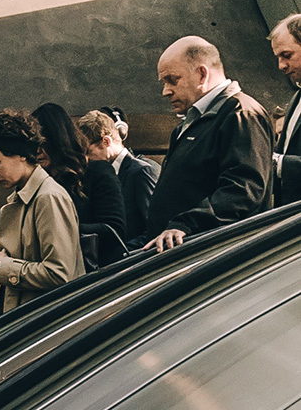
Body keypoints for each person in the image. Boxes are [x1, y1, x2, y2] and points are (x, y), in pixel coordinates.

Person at [144, 37, 273, 252]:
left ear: (202, 74)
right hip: (185, 252)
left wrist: (187, 224)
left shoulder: (241, 114)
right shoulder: (191, 121)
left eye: (172, 80)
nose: (165, 91)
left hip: (215, 257)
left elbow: (244, 189)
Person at [0, 110, 84, 320]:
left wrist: (5, 267)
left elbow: (60, 273)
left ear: (22, 155)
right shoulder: (22, 196)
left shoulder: (48, 197)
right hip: (28, 321)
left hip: (43, 325)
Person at [31, 101, 128, 253]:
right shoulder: (39, 180)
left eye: (43, 143)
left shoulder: (97, 171)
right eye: (32, 145)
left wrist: (59, 230)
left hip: (97, 271)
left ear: (57, 141)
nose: (37, 151)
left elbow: (114, 230)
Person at [78, 108, 160, 247]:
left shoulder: (142, 172)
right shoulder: (101, 175)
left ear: (106, 141)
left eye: (88, 151)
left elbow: (156, 228)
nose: (86, 159)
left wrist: (122, 254)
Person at [268, 14, 301, 204]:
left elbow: (279, 162)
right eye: (278, 57)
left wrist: (279, 164)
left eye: (287, 55)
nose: (281, 66)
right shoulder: (297, 97)